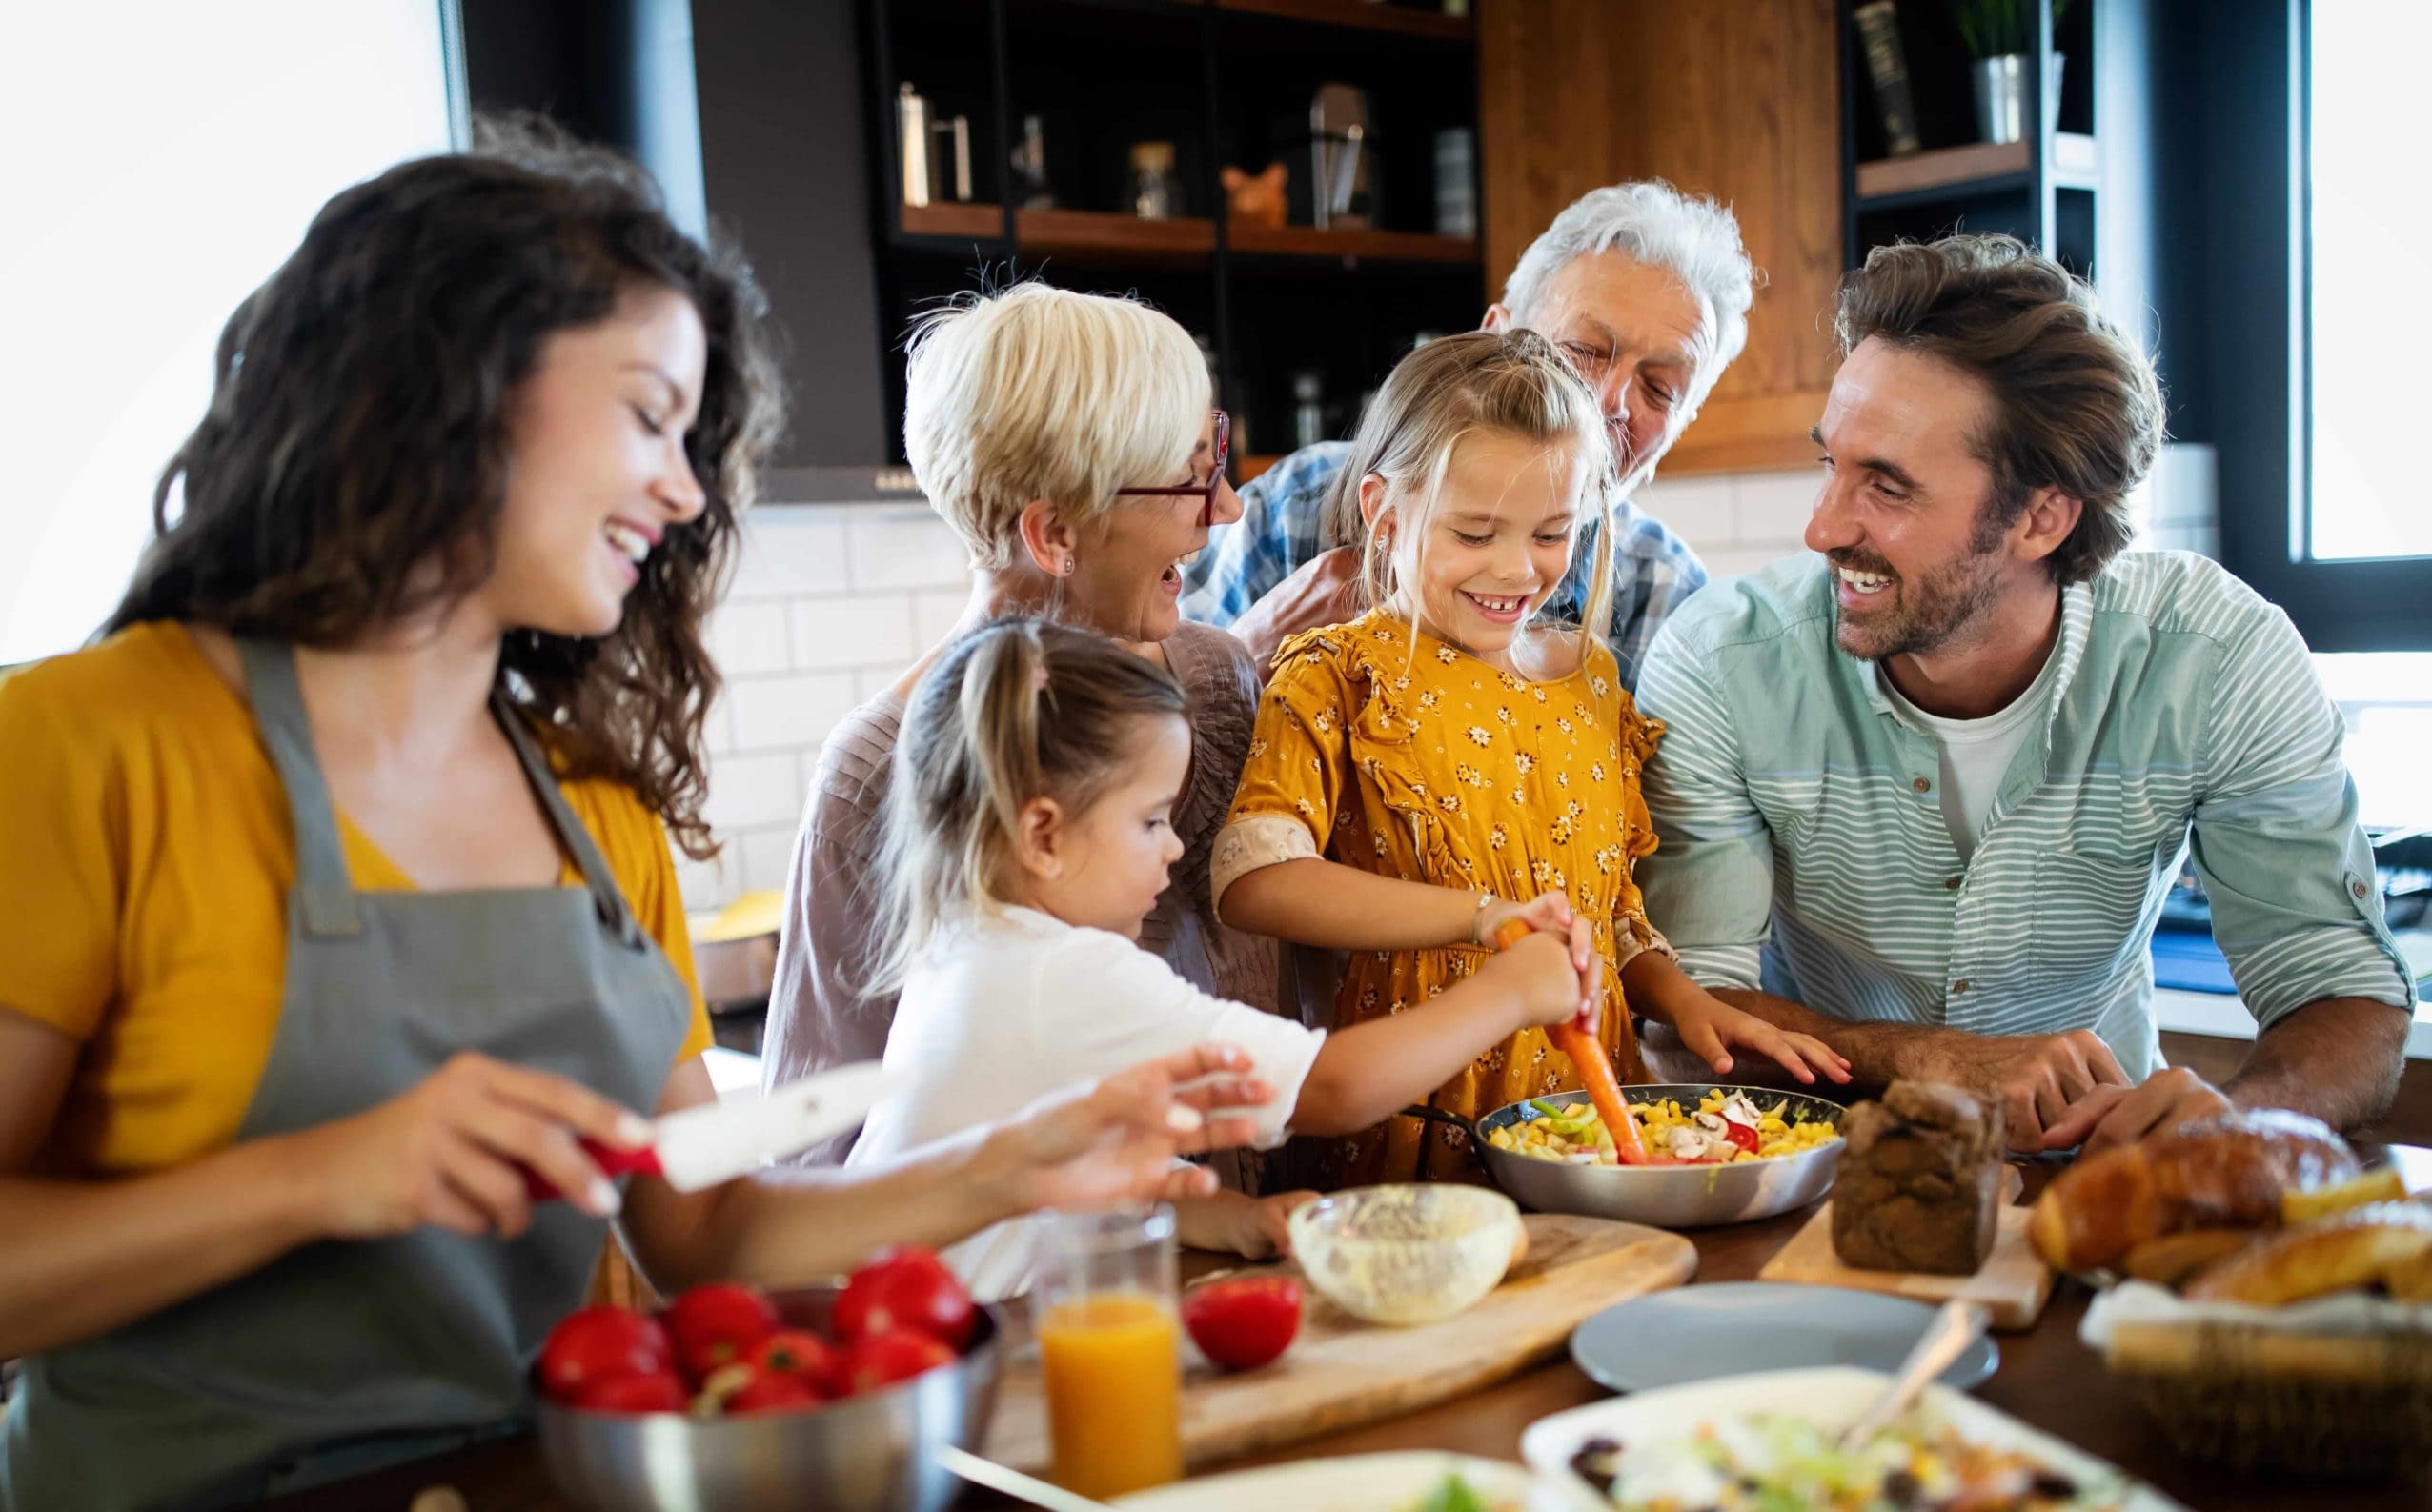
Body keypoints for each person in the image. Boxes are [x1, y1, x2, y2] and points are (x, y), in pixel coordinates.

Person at [0, 130, 1269, 1510]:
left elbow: (705, 1227)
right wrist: (313, 1178)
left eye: (692, 437)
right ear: (449, 384)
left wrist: (1010, 1161)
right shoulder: (86, 745)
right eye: (649, 414)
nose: (680, 489)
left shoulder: (593, 805)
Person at [1635, 233, 2415, 1156]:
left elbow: (2341, 988)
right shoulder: (1725, 657)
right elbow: (1685, 1015)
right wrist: (1921, 1056)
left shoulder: (2216, 656)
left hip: (2100, 1169)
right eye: (1830, 465)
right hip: (1818, 1175)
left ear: (2042, 518)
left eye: (1886, 486)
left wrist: (2241, 1123)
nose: (1822, 526)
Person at [1211, 332, 1849, 1188]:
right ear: (1384, 511)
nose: (1517, 570)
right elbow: (1254, 880)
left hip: (1591, 1129)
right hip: (1408, 1138)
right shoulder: (1336, 677)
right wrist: (1481, 917)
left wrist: (1688, 1002)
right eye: (1474, 533)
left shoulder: (1591, 683)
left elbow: (1606, 916)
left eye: (1553, 534)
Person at [845, 618, 1590, 1297]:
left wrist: (1224, 1216)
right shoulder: (1063, 974)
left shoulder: (971, 947)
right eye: (1150, 820)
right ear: (1043, 836)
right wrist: (1510, 994)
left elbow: (1060, 1156)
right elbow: (1330, 1090)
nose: (1174, 846)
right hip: (967, 1356)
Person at [760, 282, 1283, 1179]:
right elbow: (816, 1151)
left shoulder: (1221, 678)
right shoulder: (879, 772)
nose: (1227, 507)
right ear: (1055, 532)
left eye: (1216, 455)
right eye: (1192, 475)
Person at [1181, 181, 1755, 681]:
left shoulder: (1668, 596)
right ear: (1492, 339)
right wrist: (1246, 653)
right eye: (1583, 351)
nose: (1611, 403)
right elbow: (1135, 720)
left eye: (1659, 390)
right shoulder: (1298, 508)